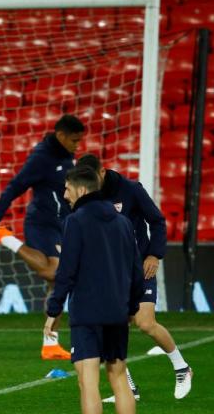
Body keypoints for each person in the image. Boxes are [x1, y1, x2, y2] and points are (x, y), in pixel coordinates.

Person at [43, 165, 144, 414]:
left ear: (82, 189)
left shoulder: (76, 222)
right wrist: (131, 308)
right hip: (116, 311)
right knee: (119, 377)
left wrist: (53, 310)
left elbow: (67, 270)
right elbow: (136, 271)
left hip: (87, 311)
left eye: (67, 188)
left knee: (89, 380)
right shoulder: (122, 221)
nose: (64, 194)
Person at [76, 154, 192, 400]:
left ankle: (182, 368)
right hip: (110, 273)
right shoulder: (84, 197)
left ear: (103, 172)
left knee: (145, 323)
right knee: (108, 330)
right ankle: (129, 388)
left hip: (140, 267)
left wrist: (154, 255)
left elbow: (157, 221)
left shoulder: (130, 189)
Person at [0, 114, 85, 360]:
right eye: (74, 141)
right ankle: (5, 237)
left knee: (56, 284)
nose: (77, 146)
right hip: (41, 223)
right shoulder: (41, 157)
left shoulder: (66, 154)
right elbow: (15, 187)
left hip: (62, 223)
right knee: (54, 275)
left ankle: (50, 344)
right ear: (61, 136)